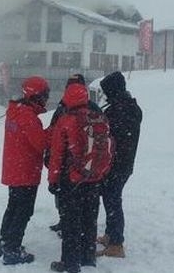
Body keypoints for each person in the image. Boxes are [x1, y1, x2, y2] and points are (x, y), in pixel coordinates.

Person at [47, 83, 109, 273]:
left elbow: (56, 154)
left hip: (71, 180)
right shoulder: (99, 118)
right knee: (90, 220)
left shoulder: (65, 120)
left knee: (70, 223)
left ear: (67, 98)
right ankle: (88, 257)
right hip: (93, 178)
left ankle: (70, 263)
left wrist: (53, 180)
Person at [0, 76, 50, 265]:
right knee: (23, 211)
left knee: (13, 208)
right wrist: (53, 131)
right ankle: (12, 249)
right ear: (36, 96)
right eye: (45, 95)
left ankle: (4, 242)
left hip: (14, 170)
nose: (46, 99)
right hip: (25, 172)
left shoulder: (14, 111)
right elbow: (42, 143)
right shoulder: (28, 117)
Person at [46, 74, 103, 235]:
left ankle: (67, 227)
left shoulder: (63, 109)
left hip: (68, 166)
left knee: (67, 201)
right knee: (89, 206)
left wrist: (51, 167)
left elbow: (54, 139)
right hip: (91, 165)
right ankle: (87, 248)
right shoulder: (93, 108)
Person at [96, 71, 142, 258]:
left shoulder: (119, 110)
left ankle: (116, 243)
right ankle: (110, 235)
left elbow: (109, 136)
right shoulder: (130, 107)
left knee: (113, 200)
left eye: (107, 91)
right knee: (111, 198)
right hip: (123, 163)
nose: (105, 95)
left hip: (116, 164)